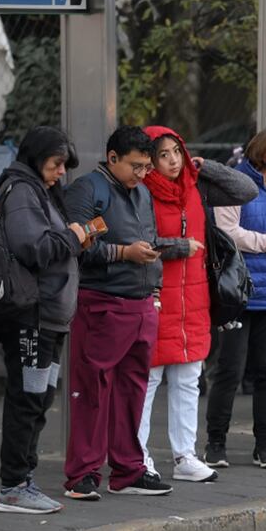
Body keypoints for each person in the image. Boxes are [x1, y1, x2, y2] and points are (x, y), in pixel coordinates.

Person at [62, 126, 179, 500]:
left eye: (147, 167)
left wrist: (155, 288)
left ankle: (129, 469)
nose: (143, 174)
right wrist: (123, 254)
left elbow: (146, 240)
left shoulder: (141, 191)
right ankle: (83, 473)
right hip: (102, 301)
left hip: (142, 302)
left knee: (133, 391)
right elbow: (75, 245)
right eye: (136, 166)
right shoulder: (87, 189)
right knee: (92, 388)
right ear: (112, 158)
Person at [137, 125, 257, 483]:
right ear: (149, 160)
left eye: (177, 151)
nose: (174, 160)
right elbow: (138, 242)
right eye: (164, 155)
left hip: (194, 297)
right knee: (149, 380)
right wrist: (178, 247)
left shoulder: (196, 184)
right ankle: (137, 456)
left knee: (189, 378)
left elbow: (245, 190)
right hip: (157, 296)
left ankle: (185, 455)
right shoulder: (140, 192)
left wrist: (208, 167)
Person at [0, 126, 85, 514]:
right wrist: (75, 237)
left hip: (50, 318)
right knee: (27, 398)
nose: (61, 172)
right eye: (56, 163)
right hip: (33, 317)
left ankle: (23, 479)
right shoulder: (23, 192)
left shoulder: (39, 191)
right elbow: (33, 246)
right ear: (36, 157)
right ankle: (12, 485)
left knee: (40, 398)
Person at [205, 126, 266, 469]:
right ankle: (215, 443)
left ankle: (265, 445)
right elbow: (227, 231)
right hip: (238, 291)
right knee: (229, 369)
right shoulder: (235, 183)